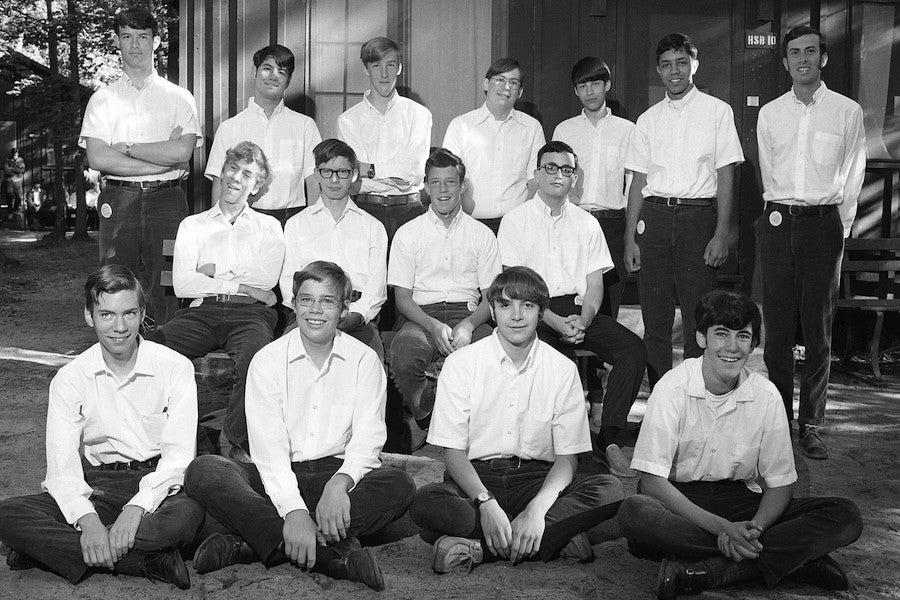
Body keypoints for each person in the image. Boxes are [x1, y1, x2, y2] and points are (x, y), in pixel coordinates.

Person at [184, 261, 416, 591]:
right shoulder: (267, 360)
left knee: (399, 484)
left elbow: (368, 440)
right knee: (204, 470)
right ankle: (330, 554)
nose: (315, 310)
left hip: (334, 477)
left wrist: (340, 485)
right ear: (294, 304)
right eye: (306, 300)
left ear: (344, 308)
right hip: (275, 475)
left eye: (327, 301)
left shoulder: (364, 361)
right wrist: (293, 512)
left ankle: (252, 544)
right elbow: (268, 451)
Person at [617, 289, 863, 599]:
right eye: (721, 334)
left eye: (743, 337)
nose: (732, 348)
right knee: (636, 513)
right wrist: (723, 528)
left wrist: (756, 528)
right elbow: (652, 482)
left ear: (753, 343)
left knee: (845, 514)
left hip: (740, 501)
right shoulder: (671, 388)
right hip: (678, 500)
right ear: (702, 338)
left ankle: (711, 571)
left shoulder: (766, 395)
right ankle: (796, 562)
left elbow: (780, 486)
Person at [0, 265, 203, 590]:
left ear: (143, 314)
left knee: (186, 518)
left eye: (129, 313)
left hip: (156, 485)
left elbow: (178, 459)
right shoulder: (70, 379)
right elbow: (63, 470)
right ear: (89, 316)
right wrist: (87, 519)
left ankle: (46, 551)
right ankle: (145, 560)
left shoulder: (176, 368)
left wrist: (137, 506)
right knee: (8, 513)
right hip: (96, 484)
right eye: (107, 315)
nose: (119, 327)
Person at [409, 267, 625, 573]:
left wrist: (537, 510)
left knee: (609, 490)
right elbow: (453, 453)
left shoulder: (561, 369)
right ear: (493, 312)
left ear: (540, 312)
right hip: (476, 480)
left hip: (536, 479)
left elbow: (567, 458)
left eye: (528, 305)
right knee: (427, 501)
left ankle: (480, 547)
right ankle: (552, 537)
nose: (517, 315)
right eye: (506, 305)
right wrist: (485, 502)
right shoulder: (461, 364)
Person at [498, 141, 647, 477]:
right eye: (550, 167)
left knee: (633, 349)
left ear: (575, 178)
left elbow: (595, 285)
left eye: (566, 170)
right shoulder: (515, 220)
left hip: (579, 309)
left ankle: (609, 440)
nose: (558, 175)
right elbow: (517, 287)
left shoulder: (587, 223)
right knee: (559, 366)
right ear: (536, 174)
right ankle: (566, 446)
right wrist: (551, 319)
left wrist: (584, 318)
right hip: (534, 311)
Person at [756, 26, 866, 460]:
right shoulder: (771, 113)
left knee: (819, 331)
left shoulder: (846, 111)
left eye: (811, 52)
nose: (803, 58)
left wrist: (841, 227)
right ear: (784, 62)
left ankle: (812, 424)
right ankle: (780, 422)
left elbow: (854, 171)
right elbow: (768, 173)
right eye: (794, 52)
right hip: (779, 223)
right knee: (778, 331)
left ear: (823, 59)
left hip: (824, 225)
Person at [149, 141, 284, 462]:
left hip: (251, 315)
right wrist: (242, 283)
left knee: (258, 360)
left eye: (247, 174)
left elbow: (266, 281)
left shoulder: (269, 227)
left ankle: (234, 438)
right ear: (222, 173)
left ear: (257, 187)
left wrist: (209, 274)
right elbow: (183, 285)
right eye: (233, 168)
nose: (237, 177)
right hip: (201, 312)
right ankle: (185, 436)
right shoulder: (193, 226)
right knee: (151, 351)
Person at [623, 32, 744, 387]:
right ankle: (663, 397)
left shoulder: (717, 112)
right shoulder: (648, 119)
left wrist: (722, 233)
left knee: (698, 320)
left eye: (681, 63)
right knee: (655, 321)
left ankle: (695, 397)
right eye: (665, 65)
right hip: (655, 221)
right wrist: (630, 237)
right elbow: (638, 182)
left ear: (694, 64)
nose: (673, 71)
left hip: (698, 219)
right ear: (658, 71)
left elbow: (726, 176)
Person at [79, 6, 202, 326]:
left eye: (143, 37)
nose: (135, 45)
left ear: (156, 41)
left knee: (168, 276)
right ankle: (117, 348)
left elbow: (182, 152)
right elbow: (98, 159)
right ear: (117, 41)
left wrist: (129, 149)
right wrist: (160, 161)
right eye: (127, 37)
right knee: (115, 278)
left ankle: (166, 349)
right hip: (119, 201)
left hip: (167, 200)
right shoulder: (103, 99)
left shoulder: (179, 98)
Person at [388, 148, 501, 451]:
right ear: (425, 186)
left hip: (470, 314)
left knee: (493, 356)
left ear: (462, 186)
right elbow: (402, 298)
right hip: (420, 315)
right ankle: (425, 416)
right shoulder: (407, 234)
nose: (443, 190)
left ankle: (465, 424)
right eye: (435, 182)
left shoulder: (482, 235)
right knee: (404, 351)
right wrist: (433, 325)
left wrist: (468, 324)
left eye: (450, 182)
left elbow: (491, 297)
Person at [280, 139, 387, 359]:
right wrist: (312, 311)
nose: (335, 179)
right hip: (309, 315)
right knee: (285, 358)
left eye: (343, 172)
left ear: (354, 175)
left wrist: (355, 315)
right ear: (317, 174)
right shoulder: (297, 224)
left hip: (354, 316)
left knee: (371, 362)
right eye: (327, 171)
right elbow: (288, 280)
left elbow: (376, 288)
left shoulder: (372, 226)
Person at [552, 57, 633, 320]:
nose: (589, 92)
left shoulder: (628, 130)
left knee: (609, 295)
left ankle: (602, 357)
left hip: (613, 223)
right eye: (582, 86)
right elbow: (554, 180)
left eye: (595, 84)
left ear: (607, 85)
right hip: (573, 220)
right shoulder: (565, 130)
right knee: (571, 291)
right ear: (575, 90)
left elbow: (632, 182)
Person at [205, 44, 321, 227]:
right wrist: (218, 229)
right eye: (267, 69)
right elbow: (219, 184)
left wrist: (313, 226)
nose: (274, 77)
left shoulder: (305, 126)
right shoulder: (230, 127)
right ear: (254, 71)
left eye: (282, 72)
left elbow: (314, 182)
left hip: (293, 220)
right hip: (244, 219)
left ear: (288, 81)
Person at [337, 36, 431, 242]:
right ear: (366, 69)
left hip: (410, 210)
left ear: (399, 68)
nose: (384, 73)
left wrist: (370, 170)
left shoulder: (419, 114)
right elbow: (354, 180)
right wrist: (394, 174)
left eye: (390, 65)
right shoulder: (348, 120)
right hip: (364, 209)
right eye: (376, 65)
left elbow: (414, 174)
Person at [443, 58, 545, 234]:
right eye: (500, 80)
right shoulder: (460, 125)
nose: (506, 87)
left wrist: (525, 222)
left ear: (520, 92)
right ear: (485, 84)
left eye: (513, 83)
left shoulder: (532, 127)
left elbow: (535, 180)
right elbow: (449, 177)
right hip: (469, 225)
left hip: (516, 227)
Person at [4, 147, 25, 214]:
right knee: (9, 196)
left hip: (18, 181)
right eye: (13, 154)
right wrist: (17, 171)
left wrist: (13, 168)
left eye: (16, 153)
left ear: (18, 154)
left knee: (19, 197)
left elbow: (22, 170)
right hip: (10, 181)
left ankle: (15, 210)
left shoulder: (21, 161)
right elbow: (7, 171)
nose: (15, 155)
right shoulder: (7, 160)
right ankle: (10, 212)